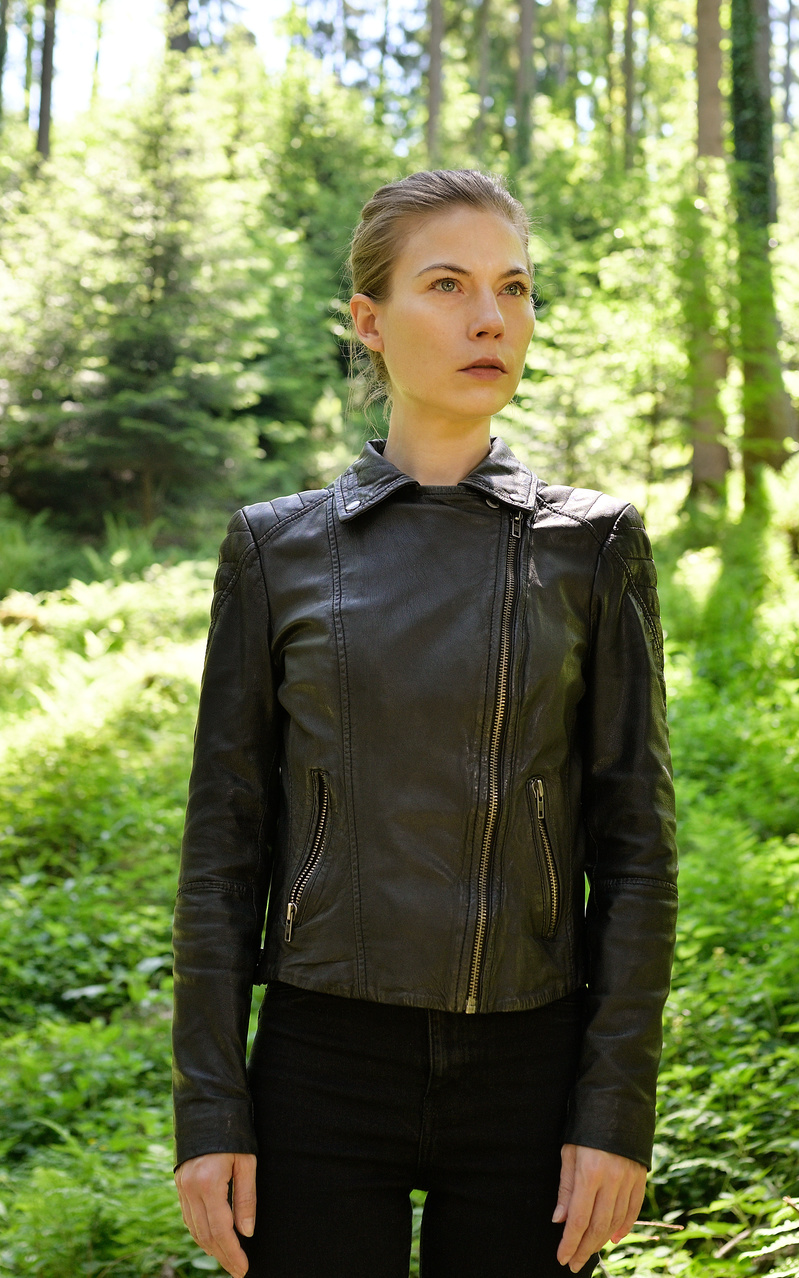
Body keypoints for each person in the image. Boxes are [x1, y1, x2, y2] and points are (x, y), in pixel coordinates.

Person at [170, 168, 677, 1278]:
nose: (490, 318)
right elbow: (222, 851)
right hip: (321, 1067)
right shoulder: (274, 549)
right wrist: (210, 1110)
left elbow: (637, 852)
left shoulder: (594, 546)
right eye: (447, 285)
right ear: (370, 321)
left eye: (514, 288)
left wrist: (615, 1108)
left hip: (532, 1073)